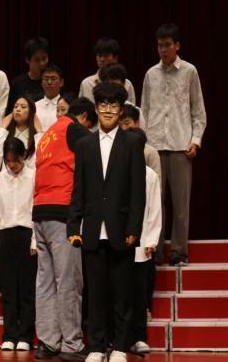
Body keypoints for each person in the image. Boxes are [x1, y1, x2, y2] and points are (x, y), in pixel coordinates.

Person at [68, 83, 146, 362]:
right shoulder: (84, 144)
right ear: (96, 108)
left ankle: (121, 347)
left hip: (121, 228)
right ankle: (97, 346)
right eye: (103, 105)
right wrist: (73, 225)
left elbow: (138, 191)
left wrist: (134, 228)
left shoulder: (132, 142)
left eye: (113, 105)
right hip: (92, 228)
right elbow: (79, 188)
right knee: (96, 293)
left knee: (122, 293)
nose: (108, 110)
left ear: (121, 109)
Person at [32, 97, 96, 361]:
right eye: (89, 125)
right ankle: (72, 344)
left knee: (45, 282)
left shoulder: (48, 134)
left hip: (39, 212)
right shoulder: (74, 128)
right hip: (61, 213)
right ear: (84, 117)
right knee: (68, 280)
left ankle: (48, 342)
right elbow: (96, 151)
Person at [141, 23, 207, 266]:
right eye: (160, 45)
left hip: (180, 145)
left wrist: (195, 140)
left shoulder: (189, 72)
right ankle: (155, 251)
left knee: (180, 205)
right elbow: (144, 110)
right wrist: (143, 143)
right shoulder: (151, 74)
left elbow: (198, 110)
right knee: (155, 202)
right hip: (155, 146)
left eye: (167, 45)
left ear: (177, 46)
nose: (163, 50)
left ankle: (179, 252)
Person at [0, 138, 37, 352]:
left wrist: (35, 240)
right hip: (6, 235)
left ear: (23, 156)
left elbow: (36, 209)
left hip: (26, 234)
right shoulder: (1, 178)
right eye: (8, 161)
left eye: (15, 160)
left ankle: (25, 336)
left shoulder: (33, 176)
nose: (12, 165)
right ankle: (9, 335)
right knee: (8, 289)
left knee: (26, 289)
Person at [122, 128, 162, 356]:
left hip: (142, 242)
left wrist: (152, 239)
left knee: (138, 294)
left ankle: (138, 337)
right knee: (119, 294)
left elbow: (155, 209)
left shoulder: (150, 176)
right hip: (119, 243)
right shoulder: (117, 172)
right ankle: (118, 339)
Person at [0, 95, 42, 171]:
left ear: (31, 112)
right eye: (15, 106)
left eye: (23, 107)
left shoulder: (36, 136)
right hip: (7, 176)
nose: (18, 109)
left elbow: (40, 158)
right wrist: (3, 128)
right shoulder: (5, 133)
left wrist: (39, 132)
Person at [78, 38, 136, 104]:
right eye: (100, 56)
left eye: (106, 56)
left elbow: (131, 109)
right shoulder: (86, 83)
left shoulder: (127, 84)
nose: (102, 59)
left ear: (115, 58)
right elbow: (80, 108)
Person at [7, 37, 50, 113]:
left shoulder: (52, 81)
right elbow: (10, 112)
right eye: (37, 60)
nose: (42, 63)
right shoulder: (17, 83)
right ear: (27, 60)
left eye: (44, 59)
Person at [119, 104, 161, 181]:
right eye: (119, 125)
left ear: (137, 123)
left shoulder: (150, 152)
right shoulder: (110, 150)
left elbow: (156, 183)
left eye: (127, 123)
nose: (123, 128)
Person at [98, 63, 145, 129]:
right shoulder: (97, 110)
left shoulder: (136, 111)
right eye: (108, 85)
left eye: (115, 85)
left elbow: (141, 134)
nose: (111, 89)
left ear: (123, 84)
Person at [35, 64, 65, 132]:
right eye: (46, 79)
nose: (49, 82)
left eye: (53, 79)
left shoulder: (68, 106)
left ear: (61, 82)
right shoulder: (34, 106)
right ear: (41, 83)